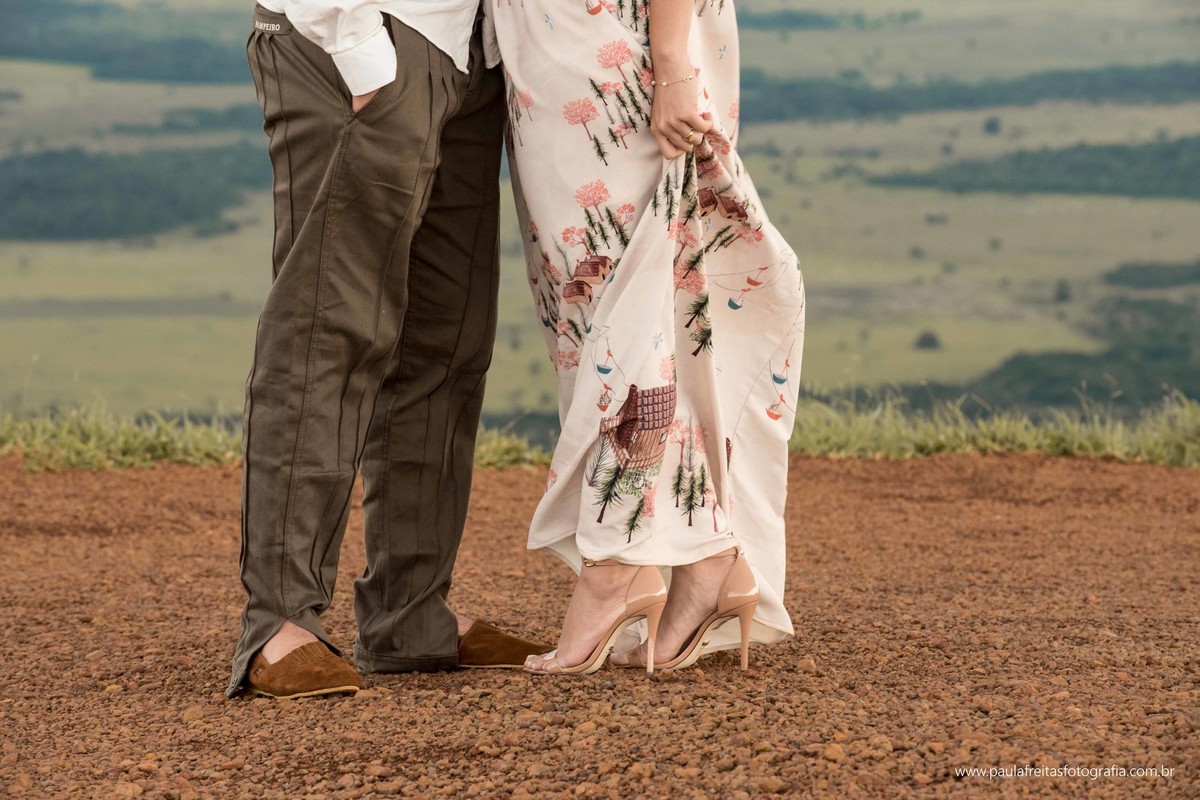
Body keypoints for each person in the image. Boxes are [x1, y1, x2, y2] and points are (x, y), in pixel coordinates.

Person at [227, 0, 545, 699]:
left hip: (466, 51)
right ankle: (280, 623)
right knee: (326, 329)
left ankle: (411, 618)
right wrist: (356, 42)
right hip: (365, 38)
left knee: (448, 341)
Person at [492, 0, 806, 674]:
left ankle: (619, 565)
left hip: (610, 42)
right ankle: (705, 559)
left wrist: (668, 63)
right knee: (633, 299)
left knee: (618, 297)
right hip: (568, 41)